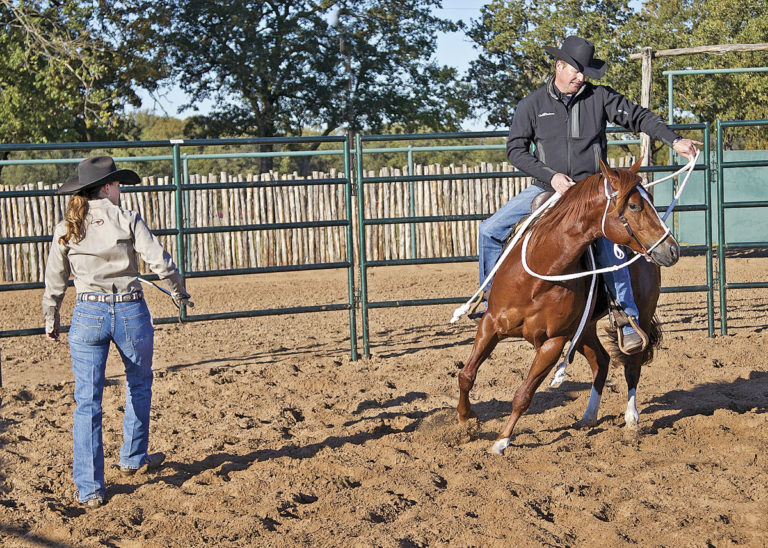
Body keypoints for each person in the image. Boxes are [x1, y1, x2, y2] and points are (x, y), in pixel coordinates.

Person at [477, 35, 700, 353]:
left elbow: (640, 117)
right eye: (576, 70)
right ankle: (490, 300)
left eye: (585, 72)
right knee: (489, 229)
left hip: (595, 194)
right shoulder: (532, 105)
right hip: (547, 188)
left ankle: (626, 316)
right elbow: (515, 150)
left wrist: (674, 140)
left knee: (612, 246)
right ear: (559, 66)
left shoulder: (600, 98)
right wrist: (550, 176)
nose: (581, 77)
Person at [42, 156, 191, 508]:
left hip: (88, 313)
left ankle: (90, 489)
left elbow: (54, 279)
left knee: (87, 402)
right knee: (139, 383)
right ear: (107, 187)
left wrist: (51, 317)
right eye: (118, 184)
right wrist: (178, 291)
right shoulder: (127, 219)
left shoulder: (67, 227)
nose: (120, 190)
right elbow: (159, 260)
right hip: (129, 309)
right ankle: (132, 457)